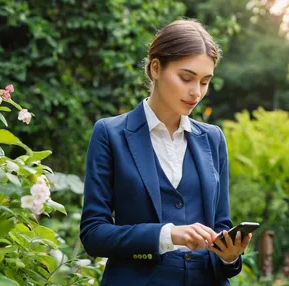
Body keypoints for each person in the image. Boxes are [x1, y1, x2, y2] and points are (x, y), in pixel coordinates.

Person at [80, 19, 251, 286]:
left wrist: (229, 256)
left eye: (205, 82)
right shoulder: (110, 134)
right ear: (156, 67)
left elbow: (221, 227)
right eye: (186, 78)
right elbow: (93, 234)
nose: (196, 92)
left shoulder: (213, 138)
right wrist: (168, 235)